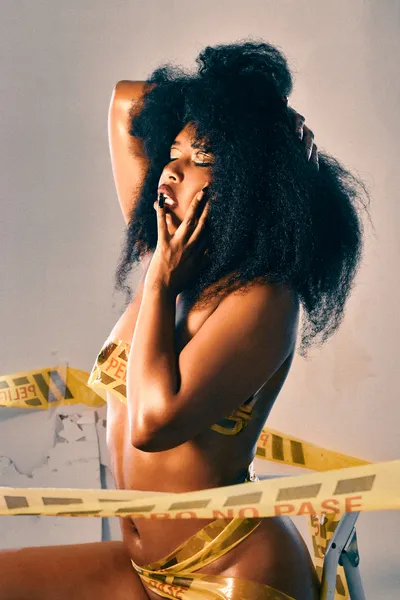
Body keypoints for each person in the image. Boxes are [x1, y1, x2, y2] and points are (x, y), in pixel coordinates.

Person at [0, 41, 369, 600]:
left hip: (231, 570)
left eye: (201, 158)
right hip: (141, 568)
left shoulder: (264, 299)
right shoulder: (168, 255)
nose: (170, 170)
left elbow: (153, 425)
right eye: (172, 152)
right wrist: (258, 108)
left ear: (249, 178)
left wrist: (160, 282)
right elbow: (127, 102)